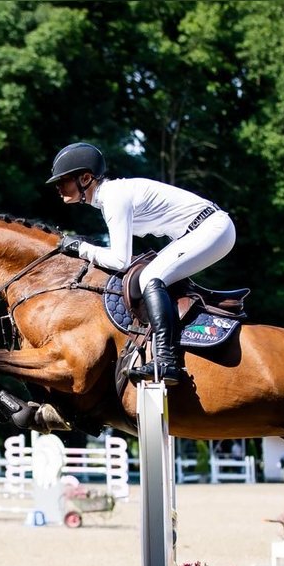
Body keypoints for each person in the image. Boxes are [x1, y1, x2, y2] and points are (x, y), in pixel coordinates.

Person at [47, 142, 236, 385]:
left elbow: (119, 259)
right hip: (203, 230)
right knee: (149, 275)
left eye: (64, 180)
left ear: (85, 178)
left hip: (211, 228)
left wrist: (81, 248)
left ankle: (167, 361)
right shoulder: (111, 197)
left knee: (149, 278)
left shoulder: (114, 198)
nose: (59, 187)